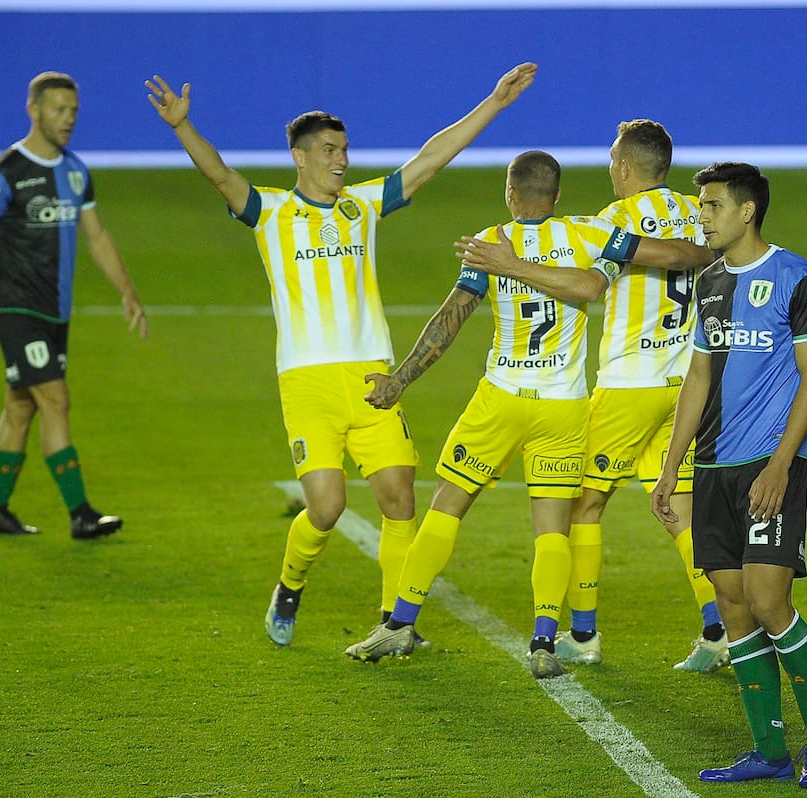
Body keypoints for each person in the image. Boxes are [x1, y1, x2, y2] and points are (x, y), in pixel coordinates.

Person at [145, 64, 537, 648]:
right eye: (329, 150)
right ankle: (290, 584)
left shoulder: (362, 206)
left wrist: (494, 102)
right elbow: (220, 175)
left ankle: (394, 624)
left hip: (371, 378)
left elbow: (429, 160)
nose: (342, 160)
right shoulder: (270, 211)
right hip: (307, 385)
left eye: (345, 150)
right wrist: (183, 127)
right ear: (300, 157)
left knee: (399, 498)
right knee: (326, 509)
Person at [344, 150, 711, 679]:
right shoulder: (589, 233)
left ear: (510, 194)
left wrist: (400, 379)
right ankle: (544, 641)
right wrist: (707, 249)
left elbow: (450, 317)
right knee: (553, 528)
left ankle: (399, 623)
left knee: (447, 506)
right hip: (563, 408)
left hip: (500, 398)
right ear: (558, 196)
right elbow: (674, 256)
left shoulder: (489, 243)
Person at [649, 162, 807, 788]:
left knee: (769, 600)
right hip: (713, 468)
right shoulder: (710, 283)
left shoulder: (799, 276)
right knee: (733, 607)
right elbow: (698, 377)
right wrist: (671, 466)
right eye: (700, 206)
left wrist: (781, 466)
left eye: (711, 206)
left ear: (746, 211)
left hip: (769, 464)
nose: (701, 217)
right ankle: (769, 751)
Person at [0, 71, 148, 540]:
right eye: (59, 110)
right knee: (55, 399)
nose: (68, 119)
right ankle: (81, 513)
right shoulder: (5, 174)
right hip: (16, 308)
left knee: (20, 407)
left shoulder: (74, 172)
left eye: (74, 111)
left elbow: (96, 235)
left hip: (55, 312)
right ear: (33, 110)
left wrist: (127, 291)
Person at [552, 119, 729, 672]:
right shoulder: (697, 213)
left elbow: (588, 283)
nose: (610, 169)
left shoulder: (616, 220)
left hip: (630, 383)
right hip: (687, 385)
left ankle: (582, 634)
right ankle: (720, 630)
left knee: (582, 504)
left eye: (612, 161)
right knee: (679, 508)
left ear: (626, 167)